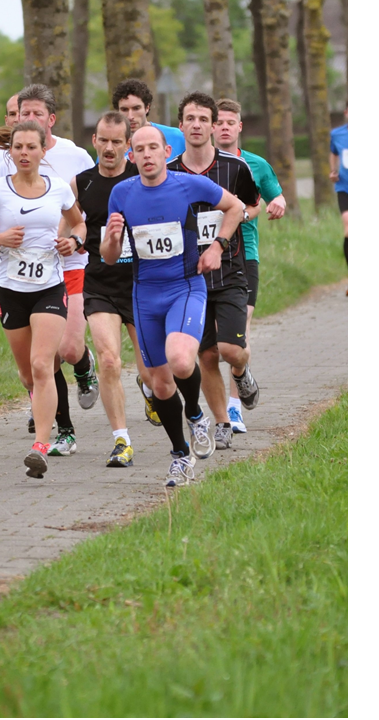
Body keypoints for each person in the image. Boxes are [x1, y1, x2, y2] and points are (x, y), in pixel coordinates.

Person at [104, 125, 245, 486]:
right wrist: (113, 239)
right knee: (160, 385)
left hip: (185, 287)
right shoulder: (121, 193)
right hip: (144, 294)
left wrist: (217, 247)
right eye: (140, 149)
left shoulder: (188, 185)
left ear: (167, 151)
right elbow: (108, 257)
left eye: (154, 147)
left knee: (182, 359)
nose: (147, 155)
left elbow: (235, 207)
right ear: (130, 156)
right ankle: (181, 455)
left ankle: (197, 414)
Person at [0, 121, 87, 479]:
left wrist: (73, 242)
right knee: (26, 374)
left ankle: (41, 446)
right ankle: (50, 422)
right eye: (18, 147)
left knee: (41, 364)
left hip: (50, 287)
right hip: (12, 289)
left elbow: (79, 225)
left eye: (31, 147)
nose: (24, 153)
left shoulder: (59, 188)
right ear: (10, 151)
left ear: (42, 151)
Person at [0, 84, 99, 458]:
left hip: (68, 265)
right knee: (42, 362)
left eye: (37, 114)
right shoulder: (3, 159)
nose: (28, 120)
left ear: (51, 120)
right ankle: (62, 430)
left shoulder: (74, 156)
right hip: (20, 276)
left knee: (70, 349)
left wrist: (75, 239)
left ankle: (86, 366)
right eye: (22, 113)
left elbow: (89, 206)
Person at [166, 92, 262, 451]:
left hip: (230, 272)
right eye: (190, 118)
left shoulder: (235, 168)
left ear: (211, 125)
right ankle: (222, 421)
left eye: (203, 119)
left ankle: (242, 372)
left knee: (231, 350)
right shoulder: (169, 171)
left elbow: (250, 205)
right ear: (181, 125)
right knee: (205, 355)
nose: (196, 125)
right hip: (189, 280)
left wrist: (222, 238)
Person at [71, 111, 144, 468]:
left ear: (128, 146)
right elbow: (69, 223)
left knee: (153, 373)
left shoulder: (142, 177)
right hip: (100, 282)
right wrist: (70, 238)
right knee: (110, 360)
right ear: (94, 141)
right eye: (104, 140)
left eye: (118, 141)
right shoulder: (80, 183)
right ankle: (121, 440)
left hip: (143, 284)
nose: (110, 148)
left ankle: (153, 391)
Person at [212, 98, 286, 434]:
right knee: (211, 339)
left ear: (240, 127)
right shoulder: (196, 166)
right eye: (220, 122)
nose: (225, 127)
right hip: (206, 257)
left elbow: (276, 196)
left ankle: (234, 405)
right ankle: (233, 386)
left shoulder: (255, 164)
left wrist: (278, 204)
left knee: (239, 328)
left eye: (231, 122)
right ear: (212, 127)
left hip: (245, 254)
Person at [111, 78, 185, 163]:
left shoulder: (177, 137)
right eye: (124, 109)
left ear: (147, 108)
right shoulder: (110, 146)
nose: (130, 116)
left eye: (136, 108)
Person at [329, 104, 348, 263]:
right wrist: (333, 171)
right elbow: (334, 153)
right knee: (349, 228)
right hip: (345, 187)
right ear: (346, 113)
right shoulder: (337, 134)